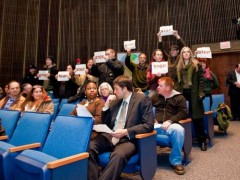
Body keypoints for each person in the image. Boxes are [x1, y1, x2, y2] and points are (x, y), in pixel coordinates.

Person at [88, 75, 154, 180]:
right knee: (88, 147)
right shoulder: (115, 102)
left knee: (118, 155)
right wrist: (106, 106)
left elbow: (149, 125)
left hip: (128, 139)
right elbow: (106, 122)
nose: (114, 92)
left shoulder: (142, 99)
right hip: (110, 135)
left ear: (125, 88)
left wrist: (126, 131)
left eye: (116, 89)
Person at [151, 77, 188, 175]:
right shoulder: (155, 97)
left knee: (179, 130)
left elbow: (184, 113)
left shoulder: (179, 98)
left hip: (171, 125)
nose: (158, 87)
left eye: (160, 86)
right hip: (156, 125)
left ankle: (176, 161)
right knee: (140, 128)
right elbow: (145, 109)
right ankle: (144, 159)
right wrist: (150, 119)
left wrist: (170, 121)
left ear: (167, 88)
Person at [176, 47, 207, 151]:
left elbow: (201, 80)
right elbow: (177, 81)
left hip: (194, 94)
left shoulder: (196, 64)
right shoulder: (179, 66)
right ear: (181, 54)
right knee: (183, 118)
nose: (185, 54)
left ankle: (202, 141)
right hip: (183, 94)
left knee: (197, 118)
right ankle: (184, 143)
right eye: (183, 52)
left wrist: (201, 92)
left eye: (187, 52)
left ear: (190, 53)